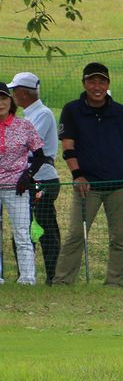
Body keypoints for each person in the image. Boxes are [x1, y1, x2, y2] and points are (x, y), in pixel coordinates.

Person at [53, 62, 123, 286]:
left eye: (101, 81)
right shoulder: (72, 109)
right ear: (84, 83)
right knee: (75, 235)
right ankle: (63, 281)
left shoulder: (120, 111)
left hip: (118, 185)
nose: (97, 86)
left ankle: (114, 283)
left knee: (118, 237)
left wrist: (122, 167)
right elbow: (68, 146)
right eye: (92, 81)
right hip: (87, 184)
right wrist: (77, 175)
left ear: (108, 84)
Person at [8, 72, 60, 283]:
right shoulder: (28, 115)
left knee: (44, 228)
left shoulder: (42, 114)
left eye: (14, 91)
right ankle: (26, 275)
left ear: (23, 92)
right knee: (23, 228)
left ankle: (52, 276)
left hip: (42, 179)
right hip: (27, 179)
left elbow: (28, 145)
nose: (12, 95)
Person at [0, 83, 49, 285]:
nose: (0, 103)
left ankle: (27, 278)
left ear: (10, 101)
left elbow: (39, 156)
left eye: (3, 98)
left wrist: (27, 175)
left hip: (16, 188)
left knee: (21, 233)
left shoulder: (24, 126)